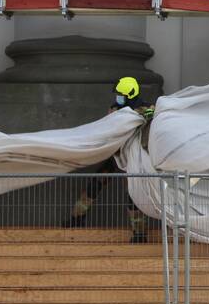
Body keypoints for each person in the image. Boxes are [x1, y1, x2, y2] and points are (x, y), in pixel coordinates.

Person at [62, 77, 155, 243]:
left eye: (121, 94)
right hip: (116, 154)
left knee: (133, 196)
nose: (117, 97)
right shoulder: (115, 109)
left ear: (130, 95)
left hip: (134, 159)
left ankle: (139, 234)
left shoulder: (148, 109)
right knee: (95, 184)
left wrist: (149, 115)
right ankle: (77, 218)